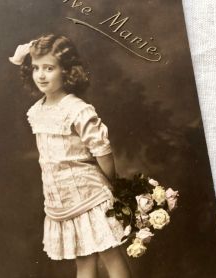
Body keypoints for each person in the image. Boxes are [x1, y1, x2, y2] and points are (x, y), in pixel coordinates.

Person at [9, 34, 132, 278]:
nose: (41, 75)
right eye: (36, 68)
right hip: (61, 200)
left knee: (110, 254)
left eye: (49, 68)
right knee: (84, 261)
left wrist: (110, 186)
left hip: (90, 195)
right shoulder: (36, 111)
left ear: (65, 71)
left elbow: (102, 151)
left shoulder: (77, 109)